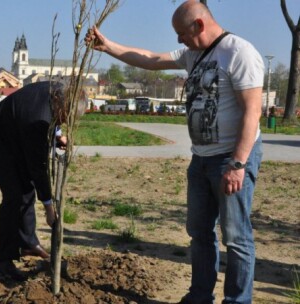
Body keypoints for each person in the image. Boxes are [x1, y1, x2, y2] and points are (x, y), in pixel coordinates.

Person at [85, 1, 264, 303]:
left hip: (230, 159)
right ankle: (199, 296)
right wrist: (108, 47)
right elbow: (151, 59)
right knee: (199, 232)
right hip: (201, 159)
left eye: (182, 33)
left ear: (199, 25)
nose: (178, 40)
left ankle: (237, 300)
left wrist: (237, 164)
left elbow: (252, 112)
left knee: (236, 237)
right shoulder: (192, 54)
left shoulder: (239, 53)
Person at [0, 81, 85, 282]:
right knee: (14, 196)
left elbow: (51, 120)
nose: (63, 122)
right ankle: (4, 264)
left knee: (26, 190)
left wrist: (57, 134)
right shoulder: (37, 120)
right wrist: (49, 208)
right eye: (63, 118)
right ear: (59, 103)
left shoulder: (59, 89)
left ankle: (28, 243)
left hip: (15, 134)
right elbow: (38, 168)